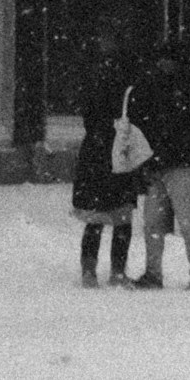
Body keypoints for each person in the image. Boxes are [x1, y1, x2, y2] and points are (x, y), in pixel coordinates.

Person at [124, 34, 190, 291]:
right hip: (175, 161)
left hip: (165, 161)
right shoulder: (189, 88)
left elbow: (141, 124)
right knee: (180, 219)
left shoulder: (151, 87)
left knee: (164, 220)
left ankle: (159, 272)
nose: (164, 64)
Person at [71, 46, 144, 287]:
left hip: (96, 156)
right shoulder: (130, 93)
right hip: (119, 156)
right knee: (121, 216)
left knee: (95, 218)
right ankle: (117, 271)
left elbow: (90, 120)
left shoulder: (93, 90)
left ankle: (89, 271)